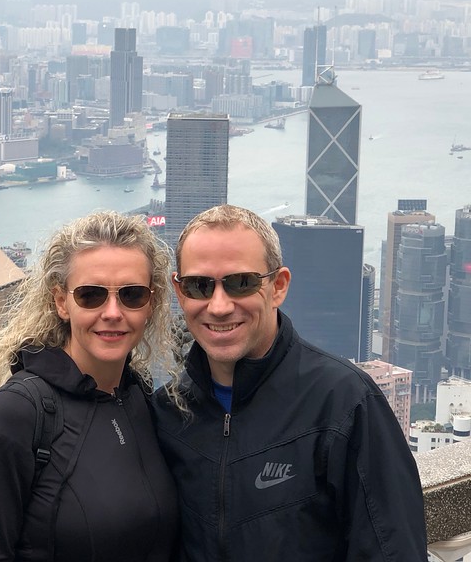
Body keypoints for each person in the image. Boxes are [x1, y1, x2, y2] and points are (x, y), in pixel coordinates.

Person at [152, 204, 427, 561]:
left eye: (240, 283)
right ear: (179, 291)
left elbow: (394, 552)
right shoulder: (168, 411)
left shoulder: (344, 402)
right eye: (199, 286)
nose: (218, 306)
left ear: (278, 286)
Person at [0, 210, 179, 561]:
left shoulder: (139, 397)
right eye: (91, 295)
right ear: (61, 302)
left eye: (132, 294)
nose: (114, 312)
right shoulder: (16, 416)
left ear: (151, 302)